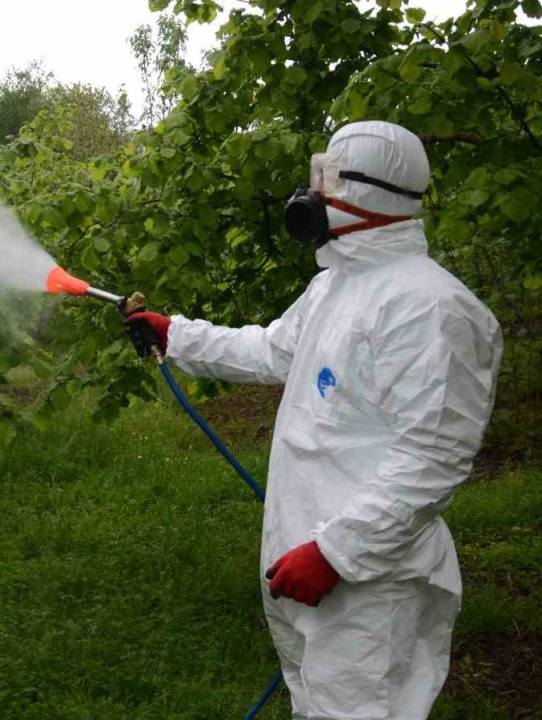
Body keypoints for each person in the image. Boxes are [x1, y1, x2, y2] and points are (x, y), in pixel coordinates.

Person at [126, 121, 503, 720]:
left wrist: (335, 553)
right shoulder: (336, 285)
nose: (313, 198)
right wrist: (180, 335)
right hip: (305, 558)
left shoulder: (432, 308)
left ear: (369, 194)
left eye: (327, 182)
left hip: (371, 582)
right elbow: (275, 349)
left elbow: (432, 459)